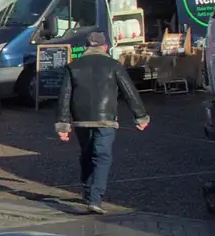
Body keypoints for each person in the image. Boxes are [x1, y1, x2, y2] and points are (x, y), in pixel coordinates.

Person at [56, 31, 150, 213]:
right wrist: (140, 116)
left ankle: (87, 189)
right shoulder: (113, 65)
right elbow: (129, 92)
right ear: (105, 47)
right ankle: (95, 199)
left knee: (87, 152)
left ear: (86, 47)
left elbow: (64, 97)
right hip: (106, 119)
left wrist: (63, 124)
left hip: (81, 120)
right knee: (102, 155)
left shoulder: (73, 66)